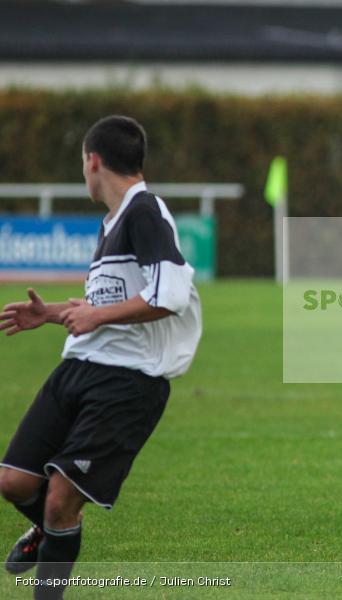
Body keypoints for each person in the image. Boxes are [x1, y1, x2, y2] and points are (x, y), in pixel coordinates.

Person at [0, 115, 202, 599]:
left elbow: (168, 295)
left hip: (127, 382)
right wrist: (51, 314)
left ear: (92, 161)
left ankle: (51, 566)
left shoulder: (145, 211)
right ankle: (52, 534)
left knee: (59, 503)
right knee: (14, 481)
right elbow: (103, 304)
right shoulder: (111, 222)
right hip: (79, 367)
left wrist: (99, 317)